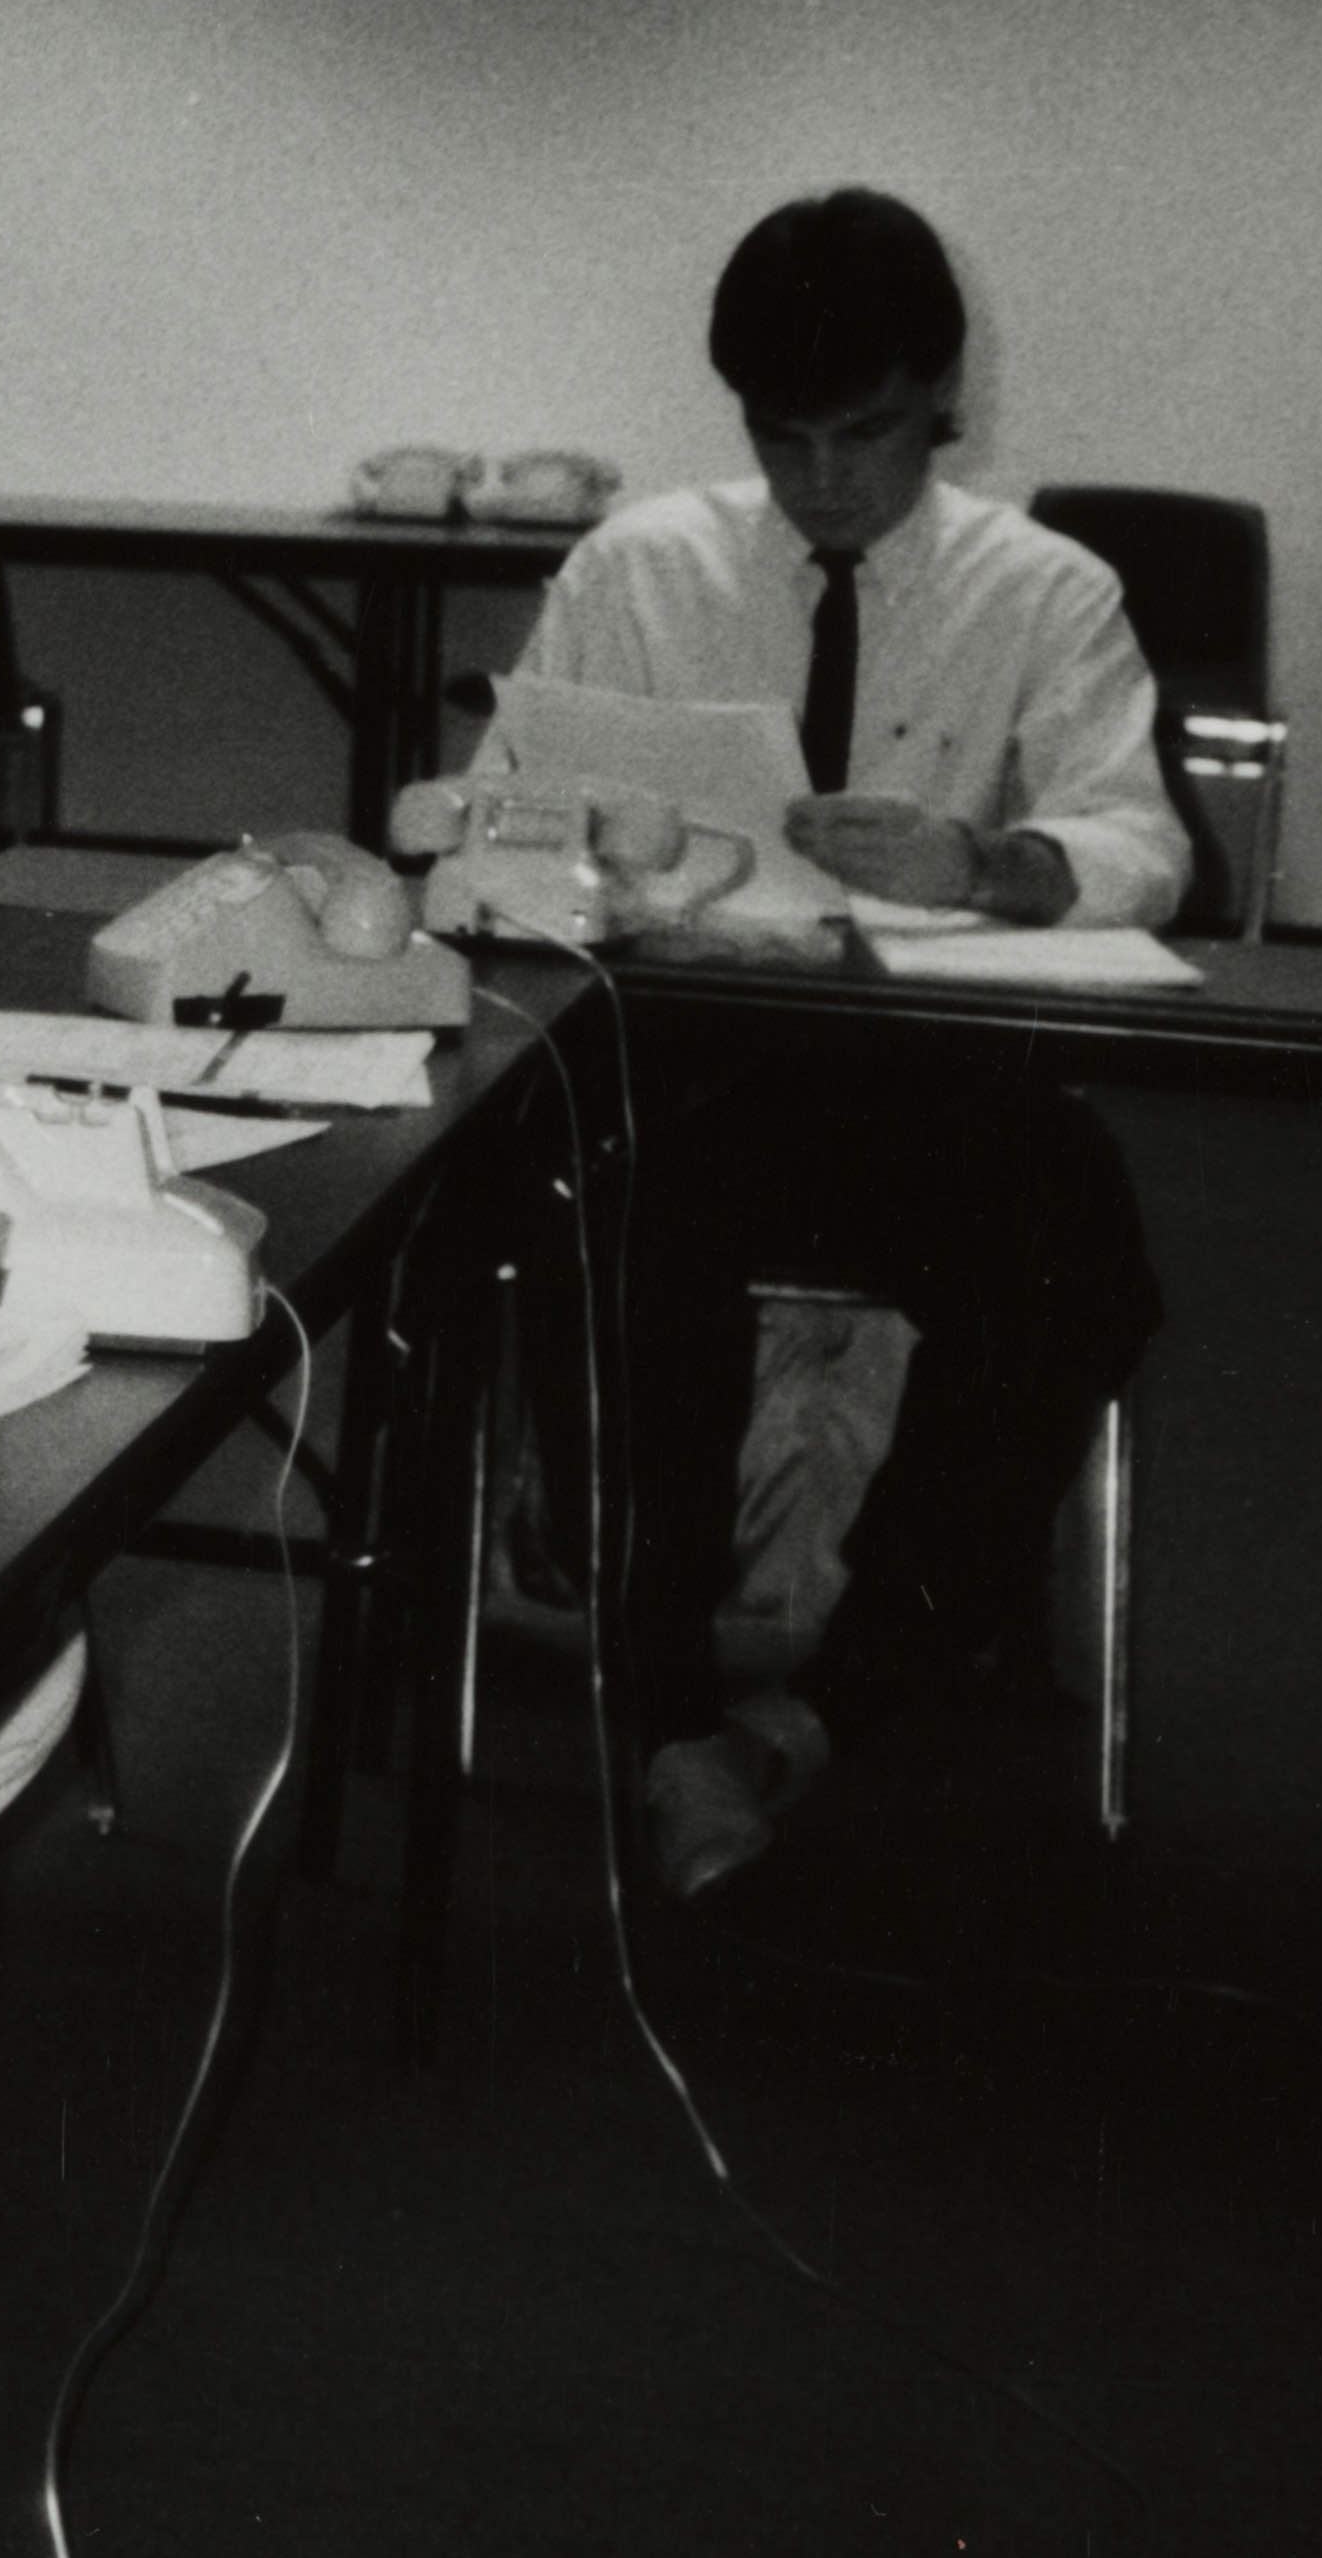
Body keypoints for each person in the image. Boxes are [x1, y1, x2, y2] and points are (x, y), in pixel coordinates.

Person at [509, 187, 1187, 1896]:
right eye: (782, 436)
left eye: (866, 433)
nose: (824, 477)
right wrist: (577, 859)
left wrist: (994, 859)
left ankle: (824, 1700)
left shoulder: (1043, 590)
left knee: (1075, 1254)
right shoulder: (638, 566)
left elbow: (1141, 840)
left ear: (943, 394)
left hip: (919, 1069)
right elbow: (509, 827)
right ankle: (664, 1700)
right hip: (687, 1053)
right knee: (600, 1210)